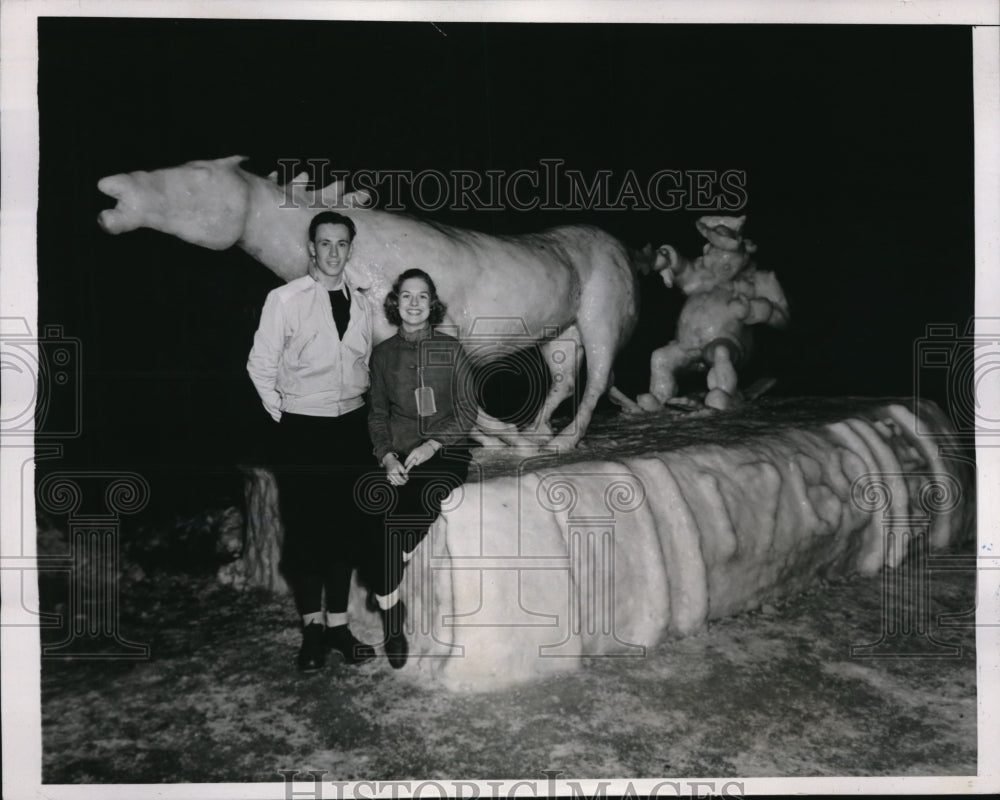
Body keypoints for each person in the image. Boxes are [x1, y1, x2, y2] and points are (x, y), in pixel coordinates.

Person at [247, 210, 377, 674]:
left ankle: (339, 627)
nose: (333, 252)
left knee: (344, 527)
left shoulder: (363, 304)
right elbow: (259, 366)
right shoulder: (285, 299)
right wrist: (287, 416)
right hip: (303, 429)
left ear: (350, 248)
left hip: (350, 428)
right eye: (325, 243)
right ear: (311, 248)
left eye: (342, 244)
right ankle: (313, 631)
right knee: (306, 531)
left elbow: (370, 366)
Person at [364, 268, 477, 668]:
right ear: (396, 303)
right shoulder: (382, 354)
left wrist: (433, 444)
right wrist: (386, 455)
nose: (414, 303)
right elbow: (376, 414)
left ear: (433, 304)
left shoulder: (451, 349)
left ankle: (384, 582)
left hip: (444, 453)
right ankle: (393, 614)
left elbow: (467, 411)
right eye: (407, 296)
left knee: (409, 514)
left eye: (423, 296)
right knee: (373, 514)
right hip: (396, 454)